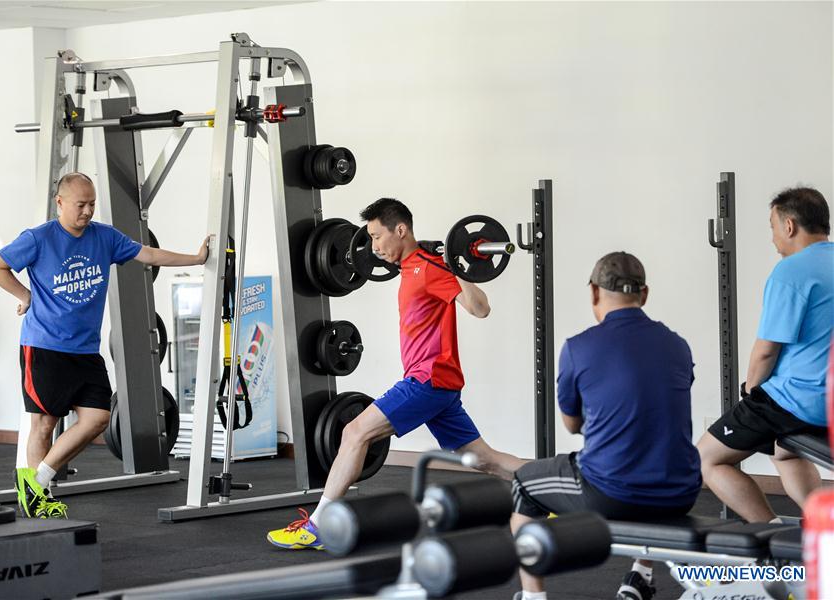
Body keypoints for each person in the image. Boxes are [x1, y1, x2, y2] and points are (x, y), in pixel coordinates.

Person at [266, 197, 525, 549]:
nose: (373, 247)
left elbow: (480, 309)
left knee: (355, 432)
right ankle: (558, 491)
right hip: (439, 387)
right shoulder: (412, 266)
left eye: (376, 236)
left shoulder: (431, 267)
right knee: (486, 460)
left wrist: (455, 266)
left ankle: (319, 525)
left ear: (400, 230)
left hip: (427, 380)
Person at [0, 172, 209, 519]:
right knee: (43, 423)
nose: (87, 211)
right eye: (80, 205)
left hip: (85, 351)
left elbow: (147, 253)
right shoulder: (38, 238)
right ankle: (37, 501)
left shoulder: (103, 237)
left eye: (91, 204)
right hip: (44, 346)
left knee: (97, 419)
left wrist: (195, 260)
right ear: (60, 203)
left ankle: (35, 482)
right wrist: (25, 295)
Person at [510, 252, 702, 600]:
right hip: (681, 493)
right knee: (640, 458)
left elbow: (572, 424)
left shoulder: (578, 347)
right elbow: (659, 410)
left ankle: (533, 597)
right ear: (644, 295)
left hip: (610, 495)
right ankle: (640, 576)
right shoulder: (678, 345)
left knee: (524, 483)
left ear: (594, 293)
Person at [698, 187, 832, 523]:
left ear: (789, 226)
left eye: (772, 228)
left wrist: (750, 393)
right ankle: (826, 526)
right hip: (828, 403)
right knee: (783, 453)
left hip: (796, 401)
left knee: (705, 460)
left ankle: (772, 540)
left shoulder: (790, 272)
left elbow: (765, 352)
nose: (773, 239)